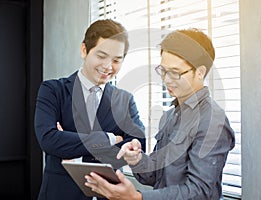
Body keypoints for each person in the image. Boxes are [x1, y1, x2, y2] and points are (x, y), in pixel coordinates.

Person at [84, 28, 235, 200]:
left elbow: (200, 192)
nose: (167, 80)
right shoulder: (170, 116)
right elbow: (156, 176)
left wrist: (138, 198)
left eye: (175, 73)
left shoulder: (213, 121)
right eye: (163, 71)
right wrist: (136, 159)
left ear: (199, 72)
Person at [34, 19, 146, 200]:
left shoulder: (125, 100)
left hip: (108, 195)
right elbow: (48, 139)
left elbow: (137, 146)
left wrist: (68, 143)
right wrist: (110, 138)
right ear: (84, 50)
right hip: (59, 194)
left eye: (117, 60)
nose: (108, 67)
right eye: (101, 56)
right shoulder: (53, 90)